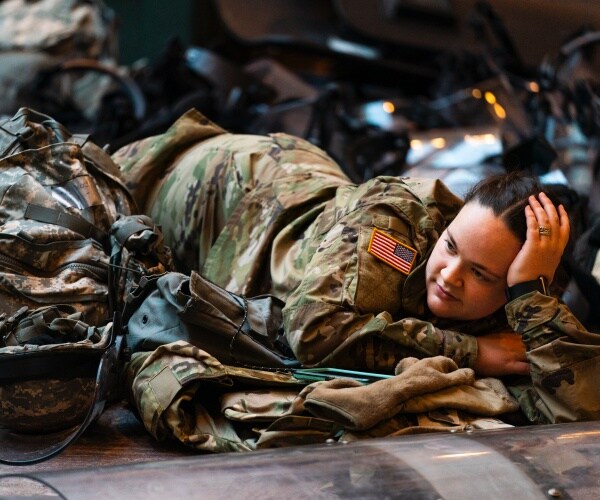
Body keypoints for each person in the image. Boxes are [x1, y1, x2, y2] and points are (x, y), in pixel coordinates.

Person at [113, 108, 600, 425]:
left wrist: (531, 298)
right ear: (450, 221)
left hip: (270, 208)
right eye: (450, 246)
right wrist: (474, 350)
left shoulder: (524, 297)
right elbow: (312, 331)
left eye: (483, 275)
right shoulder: (393, 222)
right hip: (220, 187)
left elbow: (581, 411)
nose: (449, 275)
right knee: (76, 211)